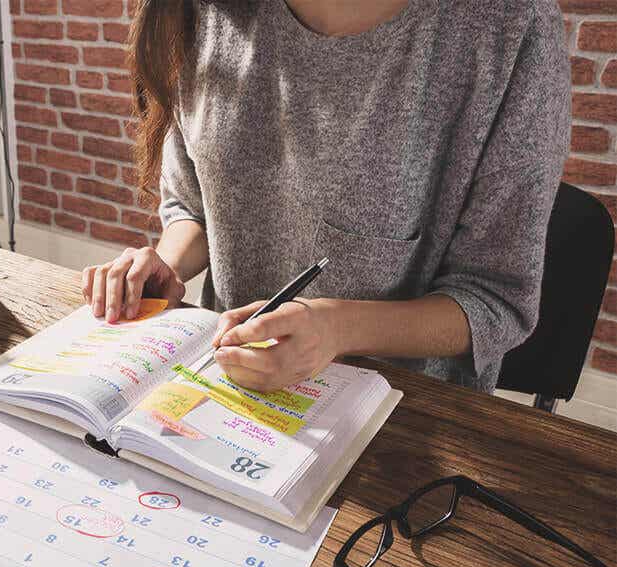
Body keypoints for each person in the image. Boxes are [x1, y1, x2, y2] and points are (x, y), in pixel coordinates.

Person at [81, 0, 570, 393]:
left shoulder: (508, 27)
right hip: (225, 386)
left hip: (400, 416)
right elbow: (194, 206)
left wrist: (336, 329)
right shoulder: (203, 12)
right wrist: (167, 264)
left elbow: (495, 300)